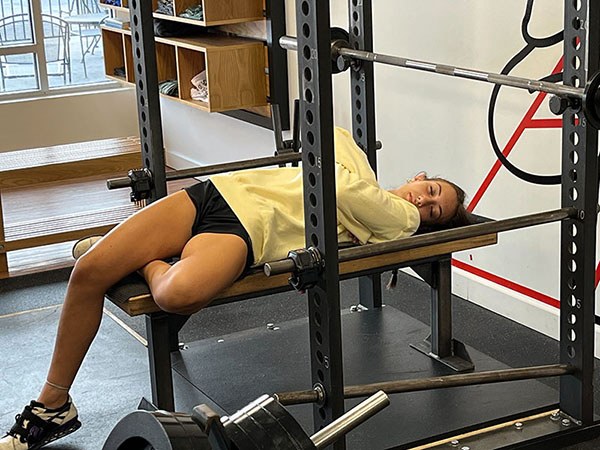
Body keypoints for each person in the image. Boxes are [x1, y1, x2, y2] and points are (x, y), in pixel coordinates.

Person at [0, 127, 469, 449]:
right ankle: (52, 404)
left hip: (248, 231)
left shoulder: (400, 220)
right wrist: (349, 186)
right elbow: (326, 132)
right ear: (418, 176)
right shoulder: (362, 171)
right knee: (87, 272)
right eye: (429, 193)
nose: (423, 205)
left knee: (173, 294)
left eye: (435, 213)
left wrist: (348, 183)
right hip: (217, 192)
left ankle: (145, 261)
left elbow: (338, 181)